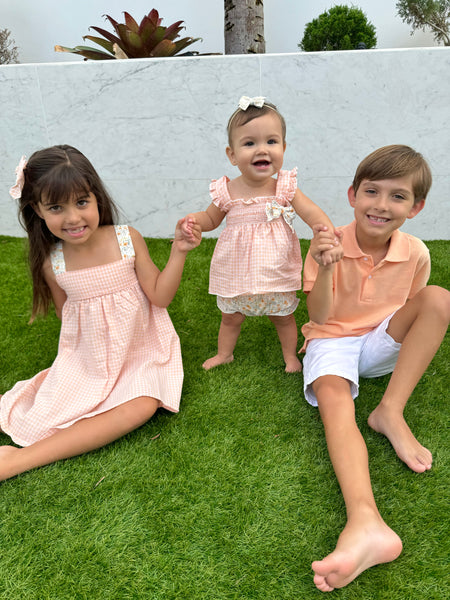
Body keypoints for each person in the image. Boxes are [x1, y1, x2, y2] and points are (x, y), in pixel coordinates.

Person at [0, 145, 201, 482]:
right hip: (89, 358)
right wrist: (82, 367)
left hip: (141, 352)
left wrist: (179, 251)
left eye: (81, 202)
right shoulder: (54, 263)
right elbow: (69, 320)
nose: (73, 218)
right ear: (37, 209)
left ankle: (19, 461)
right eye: (56, 207)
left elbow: (160, 297)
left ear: (97, 198)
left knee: (143, 405)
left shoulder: (127, 239)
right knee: (48, 410)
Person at [300, 145, 450, 592]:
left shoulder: (416, 253)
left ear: (416, 207)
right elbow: (322, 317)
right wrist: (326, 266)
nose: (381, 205)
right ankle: (365, 519)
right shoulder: (326, 242)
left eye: (398, 196)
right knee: (334, 399)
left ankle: (390, 411)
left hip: (380, 343)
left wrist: (386, 339)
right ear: (352, 194)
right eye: (372, 192)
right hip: (331, 339)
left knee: (440, 298)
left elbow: (413, 310)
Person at [183, 96, 343, 372]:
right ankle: (225, 354)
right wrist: (196, 220)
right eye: (249, 143)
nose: (262, 150)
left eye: (271, 142)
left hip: (274, 268)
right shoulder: (226, 190)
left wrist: (323, 229)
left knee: (283, 317)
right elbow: (211, 218)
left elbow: (312, 213)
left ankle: (290, 356)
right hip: (237, 270)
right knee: (230, 317)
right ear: (232, 155)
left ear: (283, 147)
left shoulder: (284, 187)